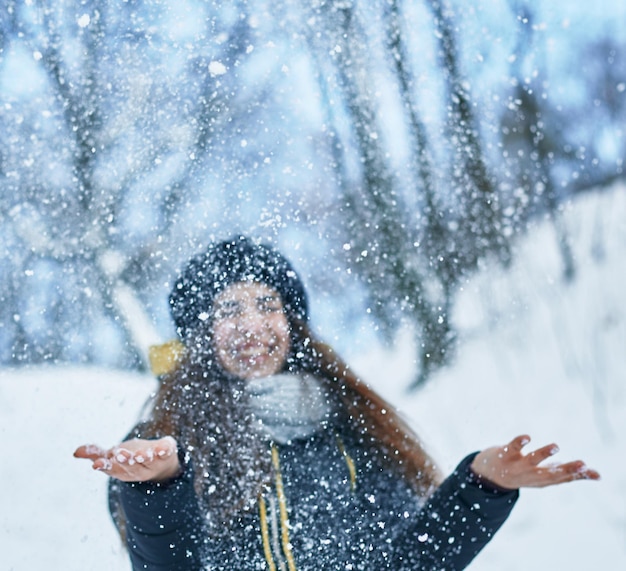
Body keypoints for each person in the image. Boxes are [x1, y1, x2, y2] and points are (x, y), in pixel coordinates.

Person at [75, 236, 600, 571]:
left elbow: (408, 565)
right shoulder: (162, 441)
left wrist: (482, 487)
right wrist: (159, 487)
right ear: (201, 334)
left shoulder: (353, 428)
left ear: (292, 324)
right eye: (228, 310)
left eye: (267, 304)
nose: (252, 325)